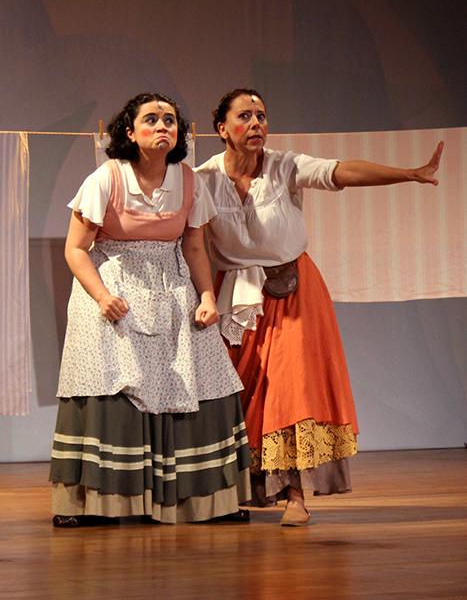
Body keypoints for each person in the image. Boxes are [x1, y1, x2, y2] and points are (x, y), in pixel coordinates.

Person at [195, 88, 443, 526]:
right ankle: (235, 492)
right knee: (242, 392)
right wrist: (204, 297)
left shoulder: (284, 166)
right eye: (245, 116)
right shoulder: (203, 180)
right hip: (237, 297)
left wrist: (410, 173)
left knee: (293, 390)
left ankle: (296, 497)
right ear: (222, 129)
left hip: (293, 292)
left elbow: (341, 171)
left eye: (261, 115)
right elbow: (190, 240)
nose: (256, 124)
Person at [49, 92, 251, 527]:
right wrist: (102, 297)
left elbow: (194, 246)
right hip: (111, 286)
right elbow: (76, 249)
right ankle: (96, 504)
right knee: (109, 384)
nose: (163, 126)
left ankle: (202, 500)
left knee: (201, 376)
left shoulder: (188, 181)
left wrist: (207, 297)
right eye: (152, 119)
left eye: (170, 120)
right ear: (129, 131)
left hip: (170, 286)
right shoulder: (106, 178)